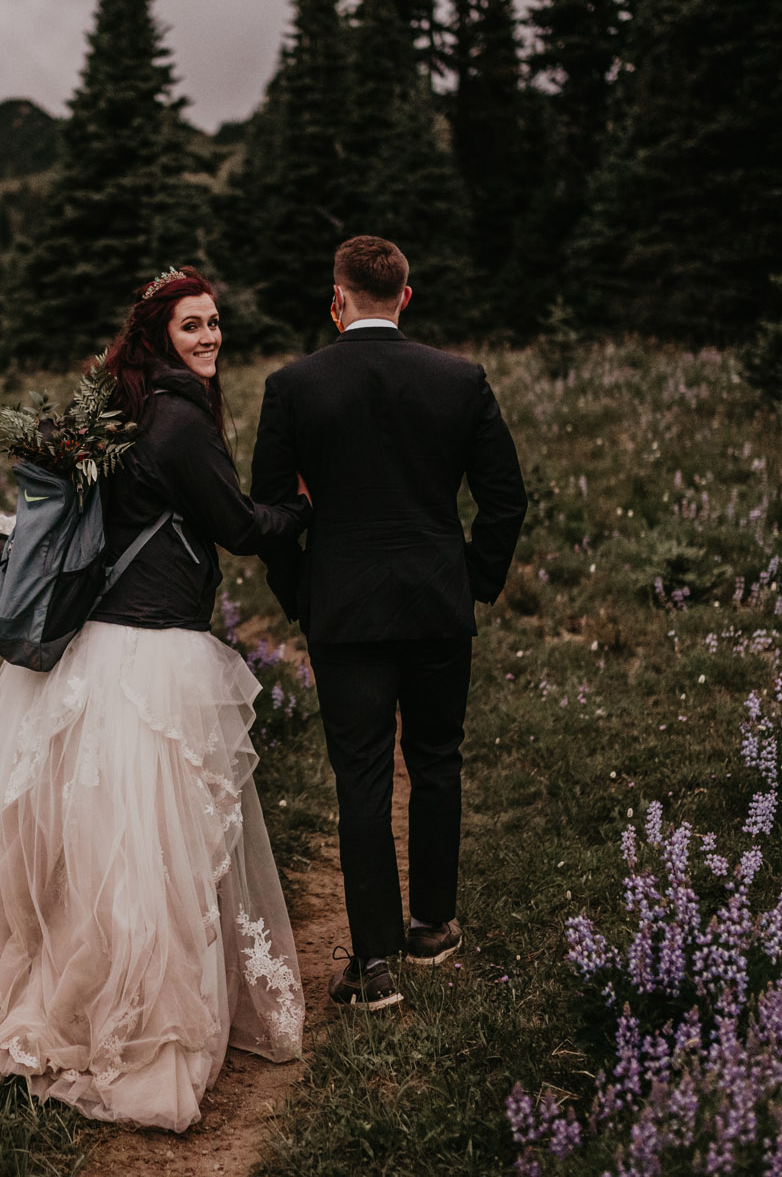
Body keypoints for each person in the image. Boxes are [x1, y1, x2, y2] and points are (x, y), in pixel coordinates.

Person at [0, 267, 311, 1132]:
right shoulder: (180, 420)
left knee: (82, 845)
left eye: (216, 323)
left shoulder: (115, 408)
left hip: (92, 647)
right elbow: (240, 528)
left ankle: (34, 999)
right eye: (193, 326)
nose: (212, 337)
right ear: (158, 334)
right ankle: (124, 1029)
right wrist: (300, 507)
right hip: (149, 653)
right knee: (144, 855)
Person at [251, 235, 528, 1010]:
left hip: (345, 611)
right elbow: (506, 499)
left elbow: (272, 512)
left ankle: (372, 965)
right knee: (438, 759)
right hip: (439, 603)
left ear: (335, 298)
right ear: (405, 296)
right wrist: (472, 579)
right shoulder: (459, 378)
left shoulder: (293, 385)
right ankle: (433, 924)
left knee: (363, 776)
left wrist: (303, 591)